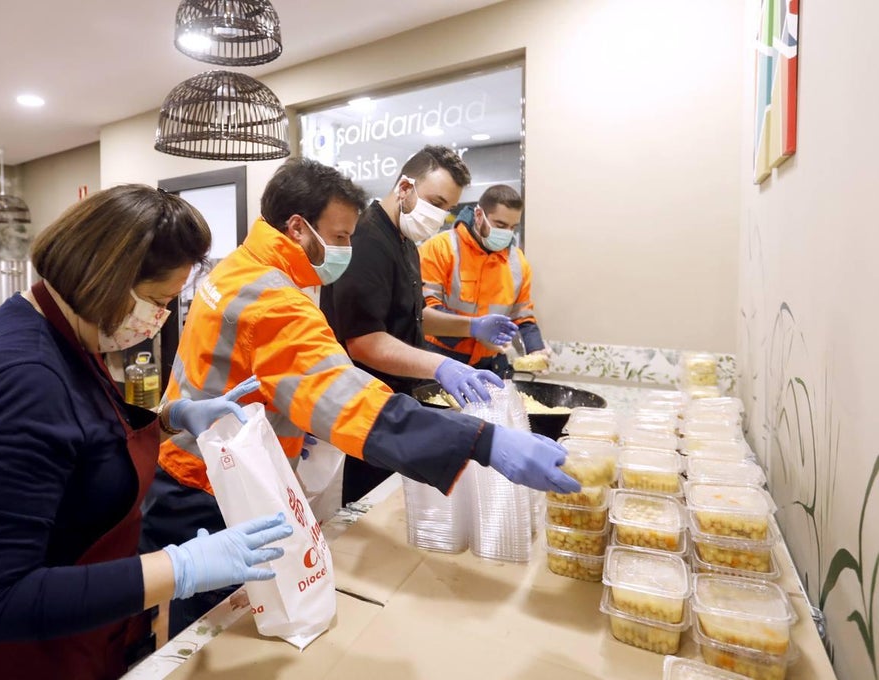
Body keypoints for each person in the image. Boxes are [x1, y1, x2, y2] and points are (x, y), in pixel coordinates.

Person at [141, 158, 580, 638]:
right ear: (298, 228)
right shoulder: (272, 298)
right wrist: (485, 442)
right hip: (210, 486)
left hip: (187, 464)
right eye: (341, 236)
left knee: (204, 616)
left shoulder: (241, 266)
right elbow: (351, 401)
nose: (346, 250)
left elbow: (253, 368)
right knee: (209, 634)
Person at [0, 186, 293, 680]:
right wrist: (182, 567)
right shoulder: (23, 382)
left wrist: (169, 420)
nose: (160, 319)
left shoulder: (54, 323)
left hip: (73, 631)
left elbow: (78, 440)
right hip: (17, 652)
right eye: (157, 301)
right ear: (107, 280)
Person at [320, 145, 519, 503]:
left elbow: (413, 315)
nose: (440, 216)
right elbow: (364, 342)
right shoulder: (365, 239)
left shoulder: (406, 241)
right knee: (362, 507)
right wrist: (441, 365)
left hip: (395, 401)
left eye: (447, 208)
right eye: (435, 202)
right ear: (405, 187)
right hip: (362, 407)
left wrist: (471, 327)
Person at [420, 184, 548, 377]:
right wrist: (476, 333)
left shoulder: (518, 261)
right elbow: (425, 311)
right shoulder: (439, 248)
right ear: (479, 215)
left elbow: (523, 315)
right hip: (443, 358)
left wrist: (536, 349)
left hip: (493, 363)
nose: (507, 233)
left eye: (513, 227)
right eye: (500, 225)